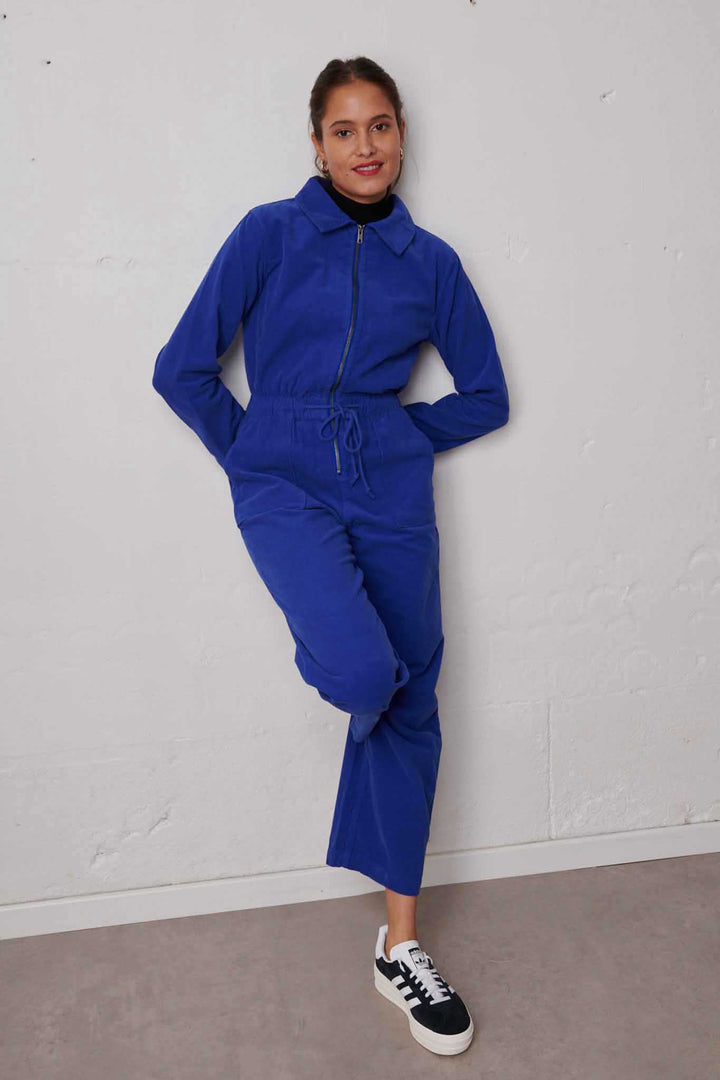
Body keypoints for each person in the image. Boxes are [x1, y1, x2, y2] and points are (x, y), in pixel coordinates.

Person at [152, 56, 509, 1056]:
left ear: (402, 136)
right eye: (344, 130)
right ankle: (381, 847)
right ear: (316, 145)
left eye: (380, 125)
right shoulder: (268, 233)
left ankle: (401, 946)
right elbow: (181, 368)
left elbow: (487, 395)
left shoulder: (429, 261)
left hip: (390, 487)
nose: (366, 146)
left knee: (411, 696)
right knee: (363, 674)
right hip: (285, 480)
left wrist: (396, 435)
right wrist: (257, 453)